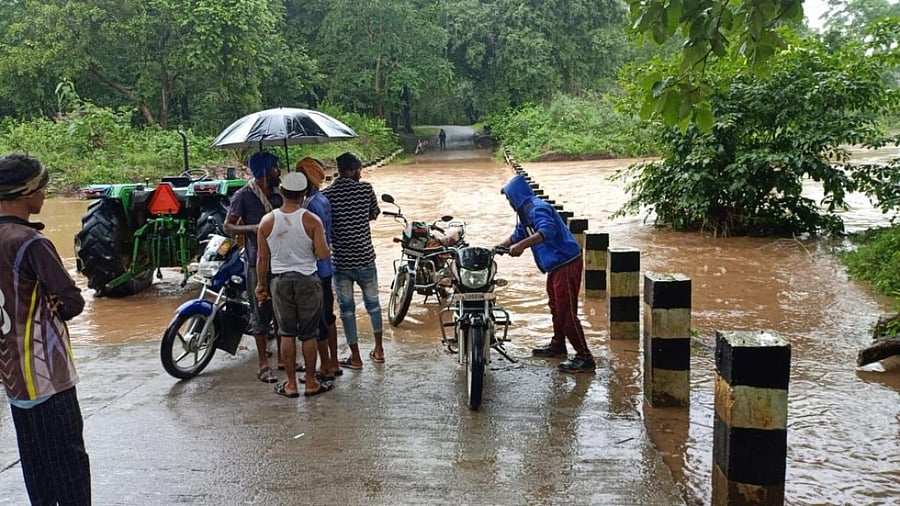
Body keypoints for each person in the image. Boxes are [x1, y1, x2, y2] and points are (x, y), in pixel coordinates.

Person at [0, 153, 91, 504]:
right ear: (26, 192)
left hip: (13, 380)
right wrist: (58, 305)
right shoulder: (31, 242)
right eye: (42, 188)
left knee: (36, 469)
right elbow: (73, 301)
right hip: (48, 376)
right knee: (69, 469)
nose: (44, 195)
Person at [498, 173, 597, 373]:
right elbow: (517, 236)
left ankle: (585, 357)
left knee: (566, 312)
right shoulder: (524, 213)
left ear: (517, 195)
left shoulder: (537, 208)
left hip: (565, 263)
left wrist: (521, 246)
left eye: (509, 198)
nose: (509, 202)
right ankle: (558, 345)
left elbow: (547, 231)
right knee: (555, 307)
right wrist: (496, 249)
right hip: (555, 265)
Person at [256, 171, 334, 398]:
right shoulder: (312, 220)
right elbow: (323, 254)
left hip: (280, 282)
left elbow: (262, 259)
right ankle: (311, 382)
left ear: (282, 192)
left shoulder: (267, 221)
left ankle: (290, 385)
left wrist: (261, 285)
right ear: (303, 194)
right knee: (309, 334)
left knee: (286, 333)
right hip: (308, 280)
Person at [224, 151, 284, 383]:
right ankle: (263, 364)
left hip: (281, 260)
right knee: (260, 312)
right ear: (265, 172)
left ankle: (283, 358)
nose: (279, 171)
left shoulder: (279, 194)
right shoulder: (243, 196)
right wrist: (253, 228)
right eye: (275, 168)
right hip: (256, 261)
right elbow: (228, 226)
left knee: (282, 312)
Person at [322, 152, 384, 368]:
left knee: (346, 310)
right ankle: (379, 350)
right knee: (373, 305)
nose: (361, 174)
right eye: (359, 170)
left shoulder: (326, 195)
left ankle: (355, 357)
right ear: (353, 170)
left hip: (340, 261)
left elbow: (325, 224)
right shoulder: (365, 189)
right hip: (365, 257)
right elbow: (374, 214)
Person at [295, 157, 340, 378]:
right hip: (327, 267)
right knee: (328, 316)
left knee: (317, 320)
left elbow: (311, 241)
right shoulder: (322, 200)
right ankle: (334, 361)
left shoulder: (309, 206)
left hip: (314, 268)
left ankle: (325, 366)